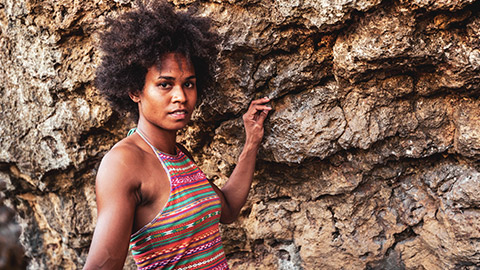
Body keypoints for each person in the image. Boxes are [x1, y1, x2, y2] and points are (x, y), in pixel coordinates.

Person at [83, 2, 271, 269]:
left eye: (189, 84)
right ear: (135, 91)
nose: (181, 97)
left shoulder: (179, 155)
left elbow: (227, 209)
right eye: (164, 85)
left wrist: (251, 142)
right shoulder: (123, 163)